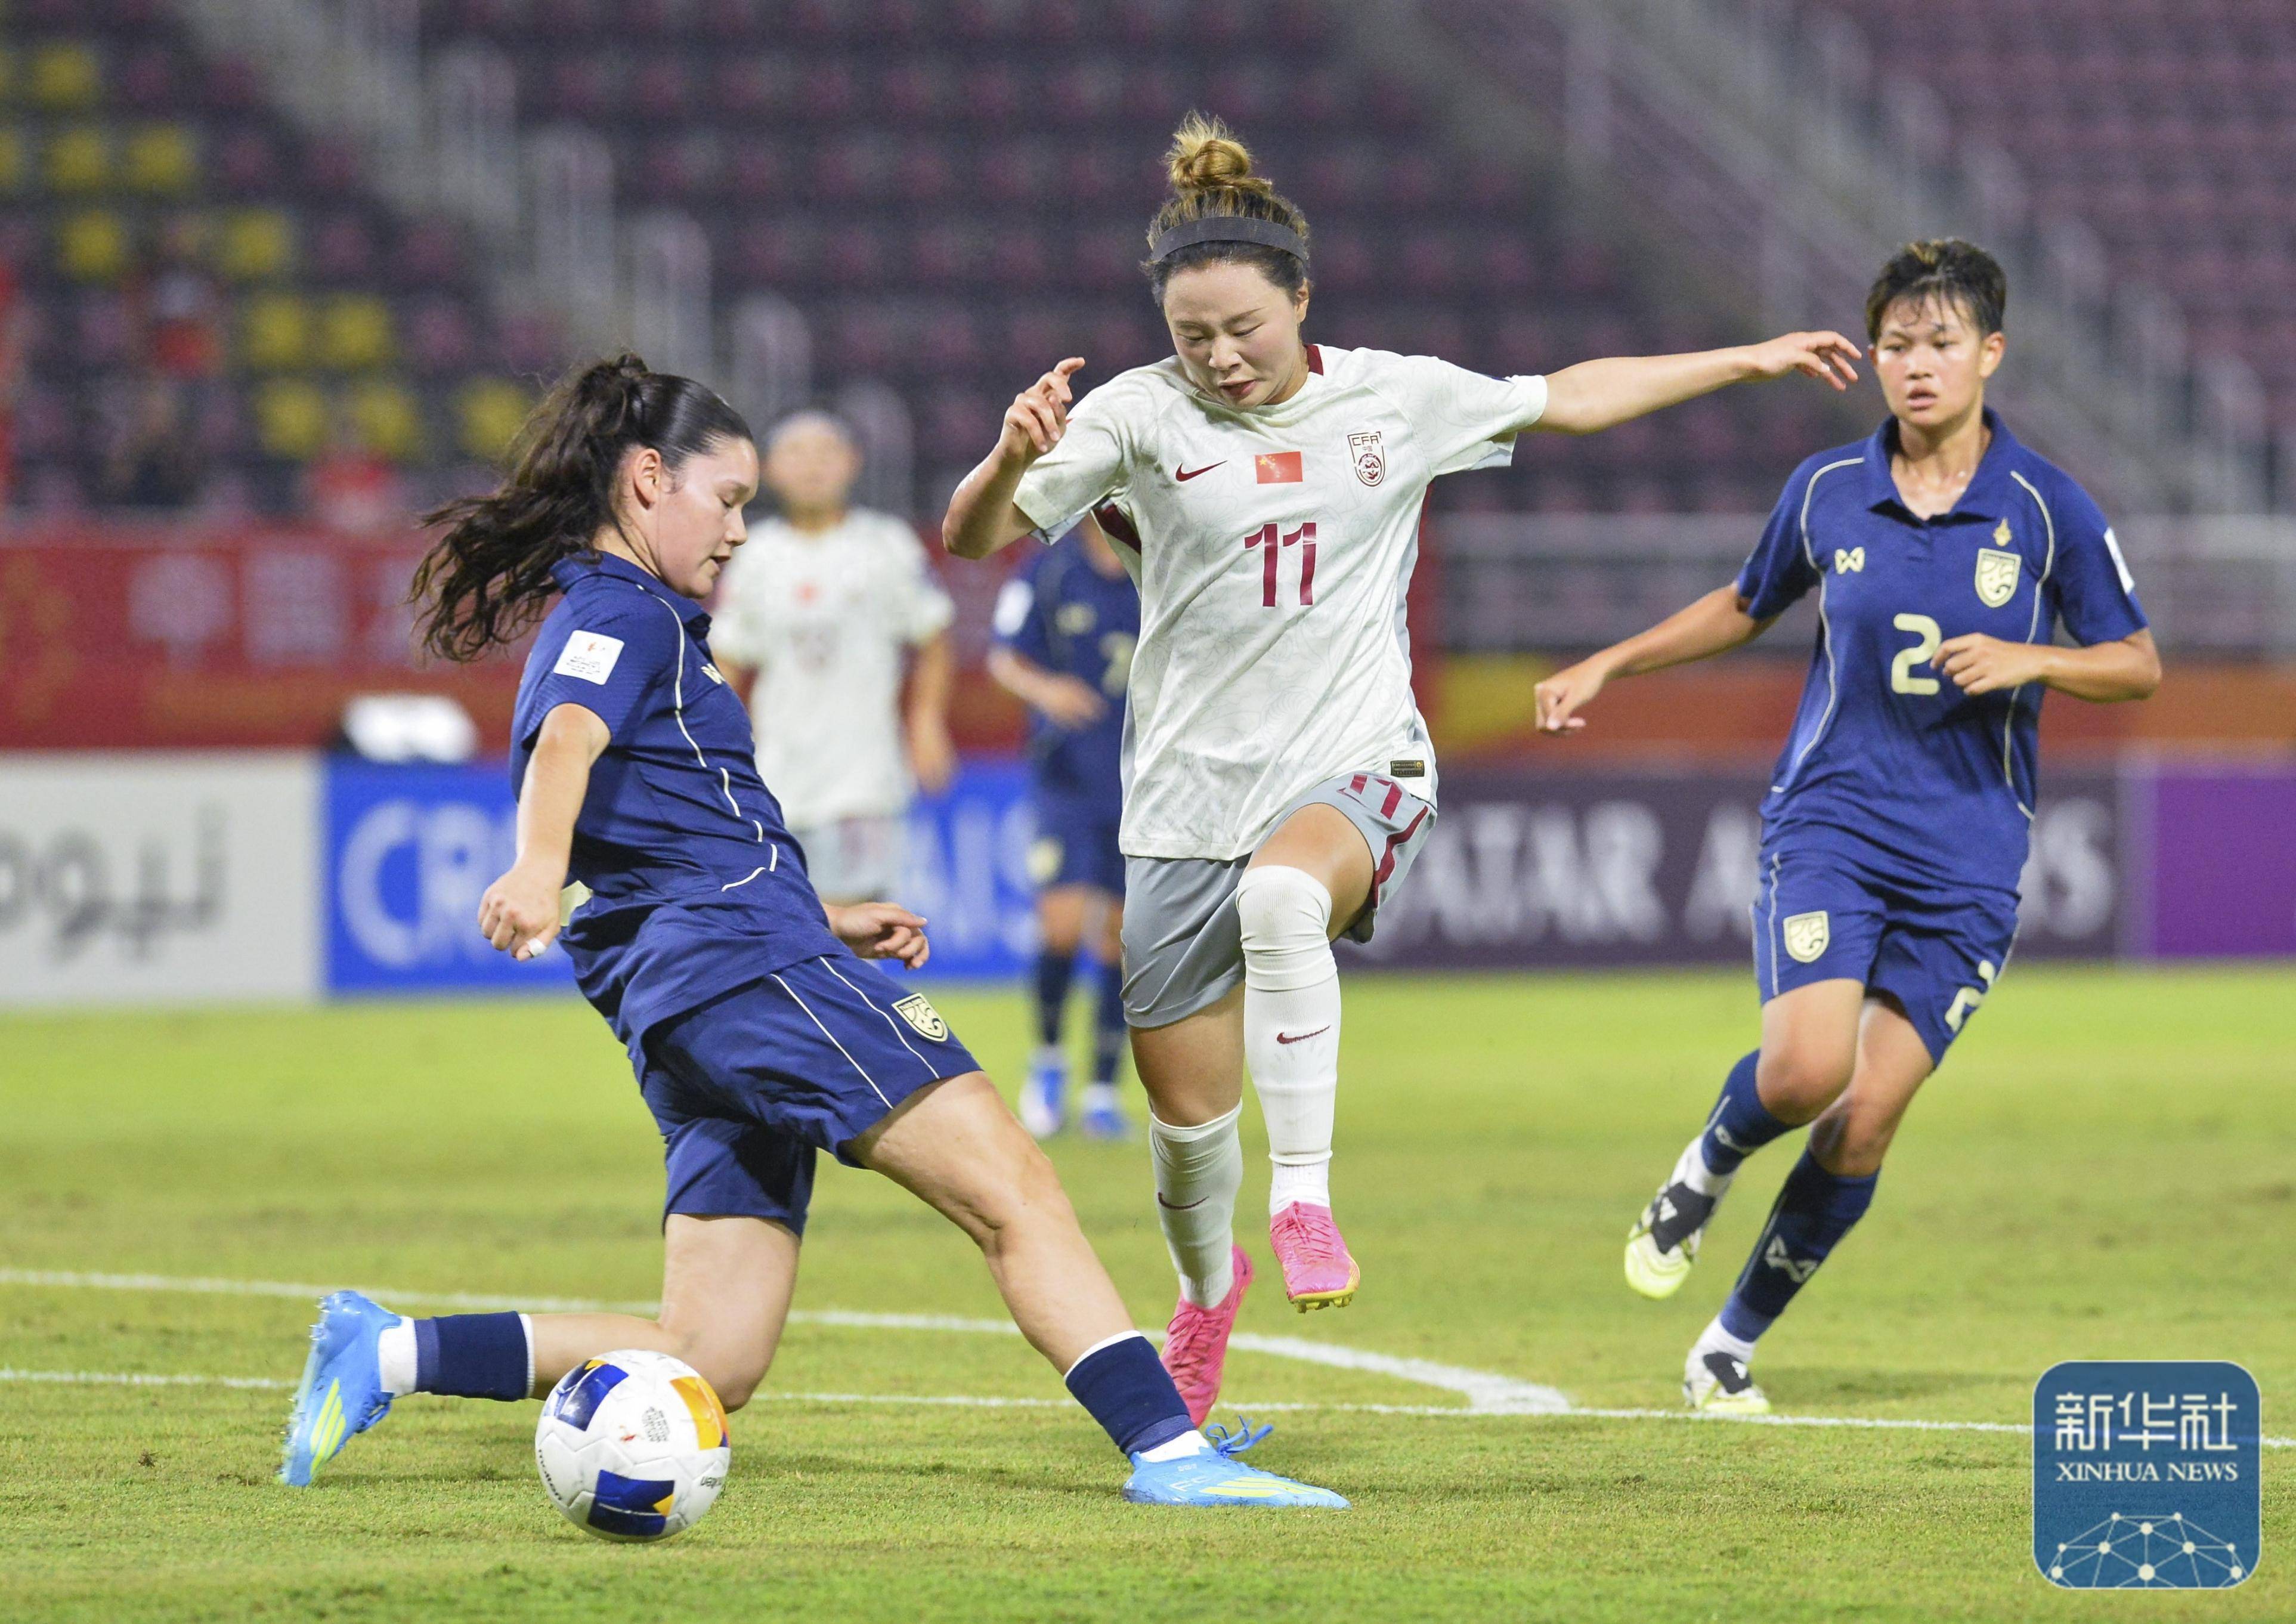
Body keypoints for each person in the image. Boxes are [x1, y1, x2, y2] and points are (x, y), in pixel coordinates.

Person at [276, 354, 1345, 1509]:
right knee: (1012, 1184)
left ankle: (387, 1350)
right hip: (743, 969)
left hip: (704, 985)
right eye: (729, 498)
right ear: (648, 480)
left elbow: (662, 823)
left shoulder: (630, 617)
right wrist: (537, 867)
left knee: (710, 1353)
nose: (741, 528)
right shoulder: (621, 611)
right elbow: (568, 740)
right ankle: (1171, 1452)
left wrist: (821, 913)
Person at [941, 113, 1861, 1423]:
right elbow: (973, 536)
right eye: (1194, 335)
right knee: (1185, 1135)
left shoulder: (1392, 397)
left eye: (1244, 329)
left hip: (1355, 757)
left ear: (1301, 301)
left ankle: (1306, 1201)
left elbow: (1570, 395)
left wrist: (1748, 357)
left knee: (1281, 902)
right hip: (1184, 798)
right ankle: (1206, 1290)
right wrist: (1010, 455)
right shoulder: (1135, 412)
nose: (1220, 356)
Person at [1533, 240, 2160, 1414]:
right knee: (1809, 1069)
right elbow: (1743, 604)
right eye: (1895, 345)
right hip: (1834, 820)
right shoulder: (1827, 489)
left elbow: (2135, 662)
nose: (1916, 365)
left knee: (1863, 1119)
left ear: (1990, 352)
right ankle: (1706, 1164)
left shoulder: (2043, 505)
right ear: (1871, 356)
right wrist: (1609, 661)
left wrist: (2032, 658)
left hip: (1971, 853)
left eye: (1940, 343)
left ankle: (1727, 1343)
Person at [710, 411, 956, 907]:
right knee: (789, 921)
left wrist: (926, 720)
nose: (812, 466)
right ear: (768, 469)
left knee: (860, 921)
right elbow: (726, 662)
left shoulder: (886, 544)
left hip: (865, 778)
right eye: (796, 454)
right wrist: (718, 752)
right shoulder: (754, 555)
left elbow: (933, 638)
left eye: (826, 452)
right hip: (777, 778)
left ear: (852, 462)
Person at [988, 512, 1140, 1140]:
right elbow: (1004, 656)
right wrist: (1048, 690)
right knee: (1062, 925)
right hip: (1067, 777)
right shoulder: (1048, 571)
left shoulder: (1156, 565)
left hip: (1140, 780)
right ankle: (1048, 1060)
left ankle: (1103, 1088)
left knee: (1120, 939)